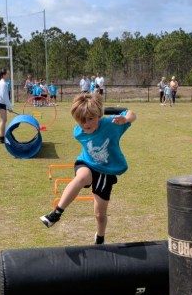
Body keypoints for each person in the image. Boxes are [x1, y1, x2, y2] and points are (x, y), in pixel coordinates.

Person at [39, 93, 136, 244]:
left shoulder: (112, 124)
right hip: (86, 163)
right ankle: (56, 214)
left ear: (98, 115)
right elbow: (84, 128)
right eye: (81, 121)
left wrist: (125, 119)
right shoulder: (78, 133)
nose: (86, 125)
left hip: (106, 170)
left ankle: (100, 238)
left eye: (90, 119)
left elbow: (131, 113)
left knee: (99, 215)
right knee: (82, 177)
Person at [0, 69, 12, 144]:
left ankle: (2, 137)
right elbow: (4, 97)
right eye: (7, 74)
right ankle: (1, 138)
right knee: (3, 120)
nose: (9, 75)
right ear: (3, 75)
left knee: (4, 120)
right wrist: (10, 107)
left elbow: (5, 97)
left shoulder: (5, 83)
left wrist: (8, 106)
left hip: (1, 102)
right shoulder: (3, 84)